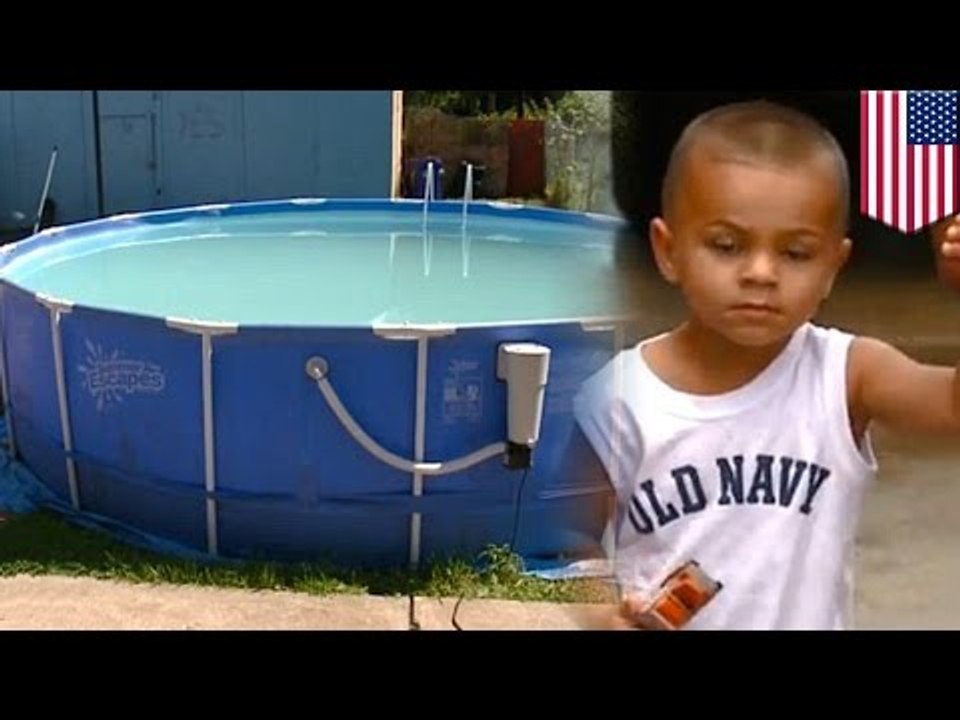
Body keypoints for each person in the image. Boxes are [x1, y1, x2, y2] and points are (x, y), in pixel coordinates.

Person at [572, 100, 960, 630]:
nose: (760, 272)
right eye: (727, 245)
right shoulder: (616, 398)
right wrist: (601, 612)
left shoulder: (847, 375)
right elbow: (566, 546)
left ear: (832, 268)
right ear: (668, 250)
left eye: (796, 253)